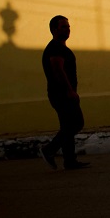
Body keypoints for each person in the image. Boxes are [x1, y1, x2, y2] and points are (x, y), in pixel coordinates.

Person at [39, 15, 90, 170]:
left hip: (62, 94)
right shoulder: (55, 48)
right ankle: (49, 149)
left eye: (68, 26)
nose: (67, 29)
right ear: (54, 29)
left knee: (67, 126)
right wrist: (69, 91)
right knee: (77, 123)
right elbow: (58, 70)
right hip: (61, 94)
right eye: (63, 27)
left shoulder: (60, 47)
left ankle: (70, 160)